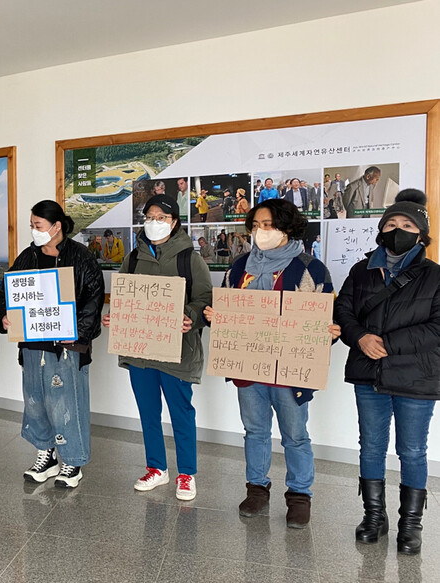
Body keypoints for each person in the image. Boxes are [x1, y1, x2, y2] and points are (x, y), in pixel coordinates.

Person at [204, 198, 338, 529]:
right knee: (255, 431)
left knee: (295, 434)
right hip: (249, 367)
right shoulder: (239, 267)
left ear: (287, 227)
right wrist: (214, 318)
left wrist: (330, 332)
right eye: (255, 226)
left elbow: (324, 319)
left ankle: (299, 496)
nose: (260, 232)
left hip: (291, 371)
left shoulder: (310, 268)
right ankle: (257, 489)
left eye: (268, 225)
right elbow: (227, 314)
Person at [333, 189, 440, 555]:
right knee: (372, 446)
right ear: (381, 229)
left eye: (407, 225)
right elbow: (342, 312)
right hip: (368, 372)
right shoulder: (361, 270)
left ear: (421, 234)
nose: (398, 230)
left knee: (411, 451)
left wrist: (387, 344)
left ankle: (411, 525)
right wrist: (360, 337)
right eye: (391, 223)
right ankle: (373, 517)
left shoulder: (434, 276)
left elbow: (437, 327)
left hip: (416, 376)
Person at [103, 194, 212, 500]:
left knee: (181, 413)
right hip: (140, 349)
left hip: (177, 351)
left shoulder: (190, 258)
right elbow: (123, 294)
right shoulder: (134, 257)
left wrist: (190, 317)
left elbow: (205, 299)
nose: (154, 223)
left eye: (161, 218)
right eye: (149, 217)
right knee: (148, 411)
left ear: (174, 222)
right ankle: (157, 468)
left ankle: (187, 474)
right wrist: (116, 316)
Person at [0, 200, 104, 489]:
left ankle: (73, 461)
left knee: (67, 404)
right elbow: (8, 291)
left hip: (67, 347)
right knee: (36, 402)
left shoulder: (81, 258)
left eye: (38, 226)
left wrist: (78, 332)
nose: (34, 231)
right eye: (32, 225)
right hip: (33, 345)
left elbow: (94, 300)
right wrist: (5, 316)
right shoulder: (27, 257)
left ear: (56, 226)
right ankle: (47, 455)